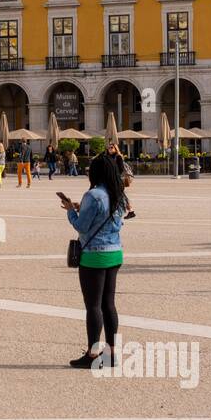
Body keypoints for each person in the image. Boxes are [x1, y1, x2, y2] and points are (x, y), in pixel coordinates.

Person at [63, 153, 126, 369]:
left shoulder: (94, 195)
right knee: (109, 304)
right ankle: (111, 354)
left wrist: (71, 211)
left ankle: (91, 354)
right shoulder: (119, 194)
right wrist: (84, 209)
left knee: (93, 306)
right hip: (115, 252)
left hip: (94, 255)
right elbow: (115, 222)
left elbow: (81, 226)